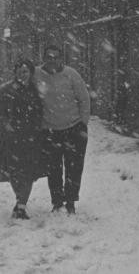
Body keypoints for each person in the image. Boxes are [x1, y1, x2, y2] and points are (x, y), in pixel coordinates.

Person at [36, 44, 90, 215]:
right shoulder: (37, 74)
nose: (52, 60)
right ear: (43, 58)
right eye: (49, 56)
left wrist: (83, 123)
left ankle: (71, 201)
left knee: (74, 167)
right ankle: (57, 201)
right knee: (54, 168)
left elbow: (84, 98)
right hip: (49, 129)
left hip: (73, 128)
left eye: (56, 57)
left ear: (61, 59)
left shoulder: (71, 75)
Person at [0, 58, 44, 219]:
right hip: (12, 138)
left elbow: (41, 112)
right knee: (14, 172)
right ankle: (19, 199)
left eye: (26, 71)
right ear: (15, 73)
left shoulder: (36, 90)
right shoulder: (6, 90)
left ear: (31, 73)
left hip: (32, 137)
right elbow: (1, 114)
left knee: (28, 172)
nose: (23, 74)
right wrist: (8, 128)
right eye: (20, 71)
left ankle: (21, 205)